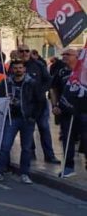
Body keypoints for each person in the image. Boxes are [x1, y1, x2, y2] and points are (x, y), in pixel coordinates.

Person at [0, 60, 44, 184]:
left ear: (24, 69)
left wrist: (34, 116)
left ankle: (25, 173)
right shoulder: (6, 82)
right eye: (15, 68)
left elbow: (40, 101)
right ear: (12, 69)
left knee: (26, 148)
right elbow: (0, 99)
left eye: (20, 67)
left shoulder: (32, 83)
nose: (18, 70)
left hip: (27, 119)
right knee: (5, 146)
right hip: (11, 118)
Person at [17, 44, 60, 163]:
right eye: (21, 51)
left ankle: (50, 156)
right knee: (27, 130)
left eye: (26, 51)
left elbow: (48, 80)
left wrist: (41, 91)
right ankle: (30, 154)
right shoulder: (14, 66)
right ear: (18, 52)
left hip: (40, 103)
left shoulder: (38, 65)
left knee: (44, 128)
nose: (24, 53)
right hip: (25, 104)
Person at [50, 49, 86, 178]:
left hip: (83, 111)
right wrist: (54, 105)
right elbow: (53, 88)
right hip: (66, 111)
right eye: (63, 54)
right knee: (67, 140)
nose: (64, 56)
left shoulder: (84, 71)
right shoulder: (61, 72)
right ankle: (69, 167)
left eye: (68, 54)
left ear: (77, 57)